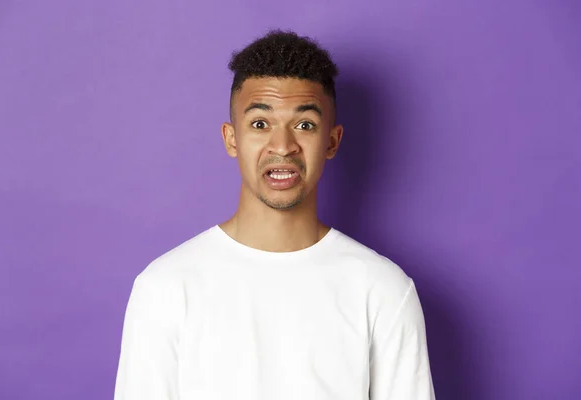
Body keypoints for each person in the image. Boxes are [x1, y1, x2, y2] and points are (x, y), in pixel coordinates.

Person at [113, 30, 436, 400]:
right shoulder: (166, 287)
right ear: (231, 138)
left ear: (332, 141)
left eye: (305, 125)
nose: (282, 146)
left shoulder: (382, 290)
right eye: (260, 124)